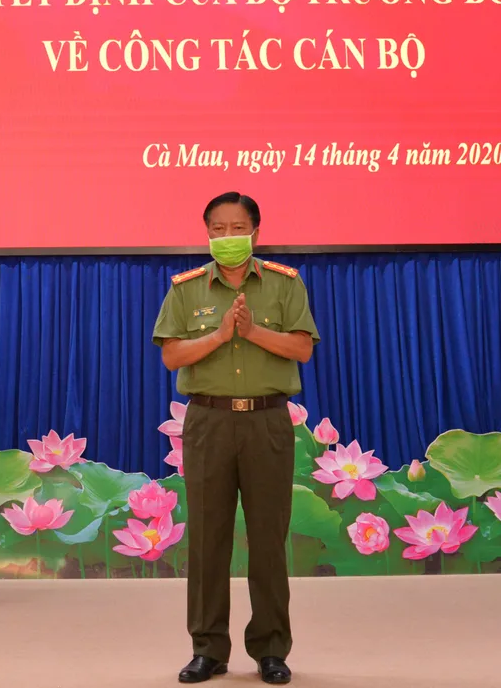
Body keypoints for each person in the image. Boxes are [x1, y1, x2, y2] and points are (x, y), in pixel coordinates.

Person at [152, 192, 319, 685]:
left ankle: (271, 649)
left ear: (256, 232)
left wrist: (251, 331)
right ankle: (208, 649)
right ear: (207, 233)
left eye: (237, 228)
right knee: (208, 540)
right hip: (210, 422)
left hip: (267, 422)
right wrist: (220, 335)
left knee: (268, 539)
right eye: (218, 229)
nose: (228, 236)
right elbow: (172, 356)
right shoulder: (186, 289)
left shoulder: (285, 283)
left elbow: (302, 349)